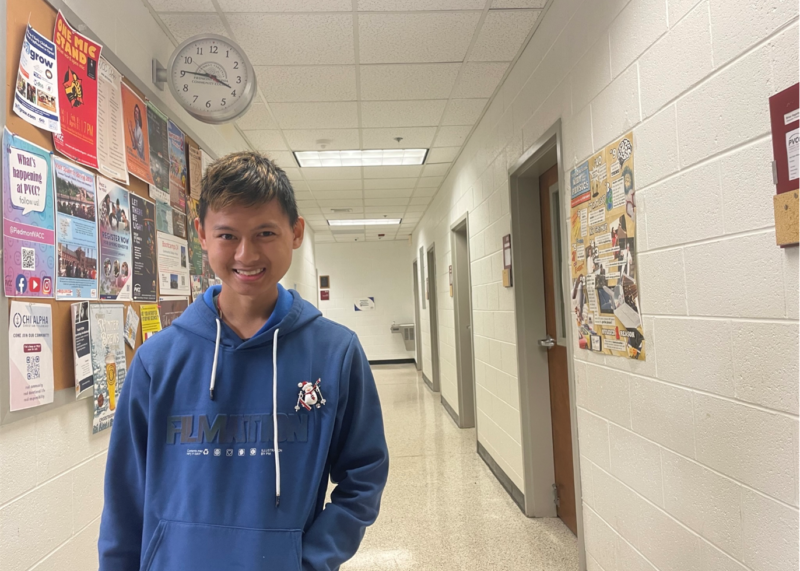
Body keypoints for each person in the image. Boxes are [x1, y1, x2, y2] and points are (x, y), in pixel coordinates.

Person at [98, 151, 389, 571]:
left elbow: (364, 476)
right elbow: (124, 498)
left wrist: (311, 561)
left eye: (265, 233)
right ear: (201, 234)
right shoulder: (156, 361)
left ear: (295, 232)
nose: (246, 254)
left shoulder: (336, 352)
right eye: (228, 235)